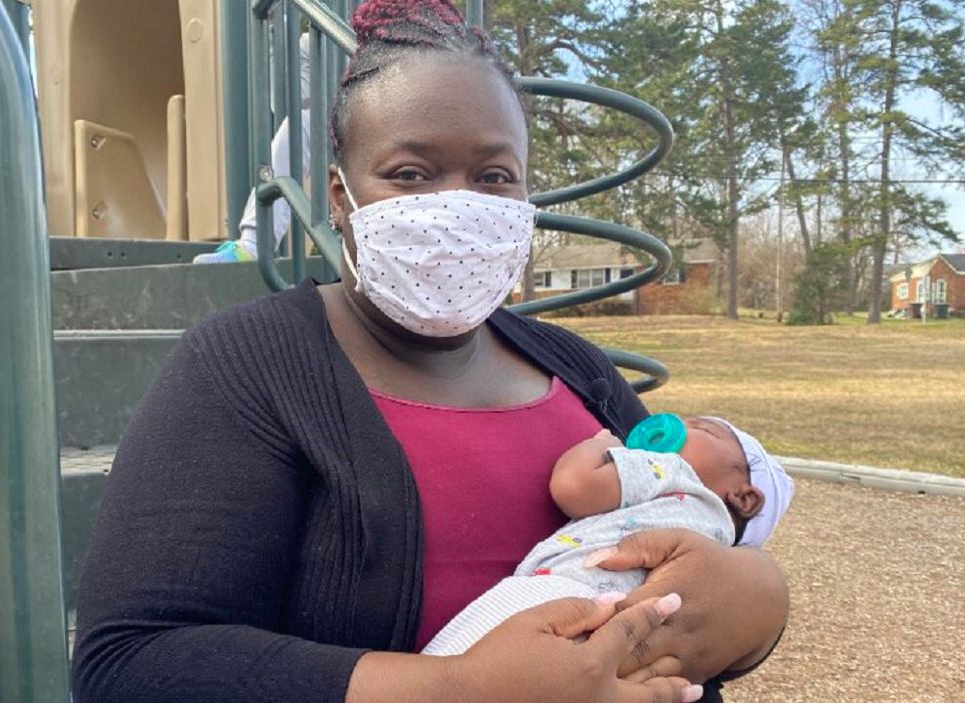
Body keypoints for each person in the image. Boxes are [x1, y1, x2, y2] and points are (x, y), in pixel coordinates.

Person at [71, 2, 789, 702]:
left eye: (494, 176)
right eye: (411, 174)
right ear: (340, 197)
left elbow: (676, 557)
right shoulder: (245, 366)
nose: (458, 205)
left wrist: (758, 605)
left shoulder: (579, 371)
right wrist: (455, 689)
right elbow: (132, 662)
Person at [421, 415, 795, 656]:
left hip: (561, 591)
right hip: (620, 631)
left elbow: (574, 486)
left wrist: (602, 444)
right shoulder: (715, 550)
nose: (679, 422)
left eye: (704, 429)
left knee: (452, 669)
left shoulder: (672, 472)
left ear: (744, 496)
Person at [194, 33, 312, 264]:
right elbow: (285, 103)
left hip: (383, 125)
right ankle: (253, 245)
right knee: (299, 126)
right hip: (352, 132)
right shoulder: (315, 40)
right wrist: (274, 34)